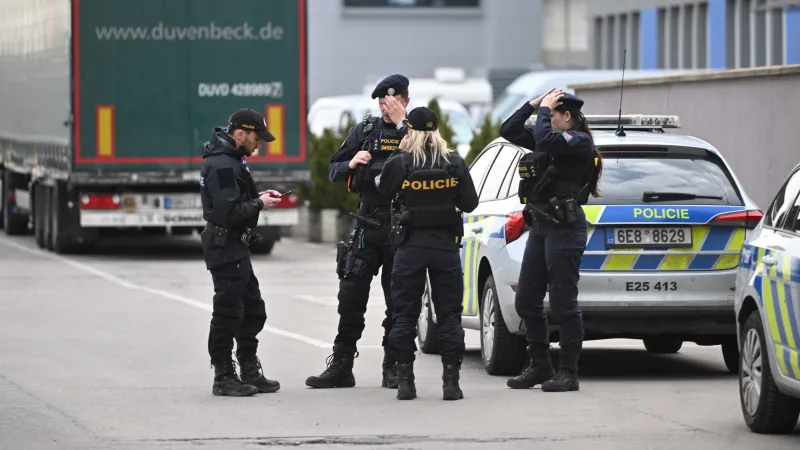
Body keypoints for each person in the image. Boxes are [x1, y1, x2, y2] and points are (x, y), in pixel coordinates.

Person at [305, 74, 410, 390]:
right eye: (381, 102)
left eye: (392, 102)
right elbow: (333, 169)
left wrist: (406, 124)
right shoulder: (365, 131)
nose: (386, 107)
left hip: (400, 227)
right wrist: (352, 162)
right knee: (350, 297)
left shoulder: (417, 132)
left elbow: (431, 160)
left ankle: (392, 365)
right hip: (367, 225)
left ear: (405, 100)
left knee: (398, 301)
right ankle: (341, 365)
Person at [499, 89, 602, 392]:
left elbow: (544, 139)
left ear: (566, 116)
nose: (546, 118)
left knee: (562, 303)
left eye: (552, 114)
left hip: (565, 229)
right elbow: (508, 130)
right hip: (541, 227)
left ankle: (568, 372)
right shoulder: (551, 142)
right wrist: (533, 105)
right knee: (527, 300)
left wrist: (543, 110)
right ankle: (540, 364)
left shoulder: (578, 142)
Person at [375, 106, 479, 400]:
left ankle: (406, 382)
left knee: (405, 315)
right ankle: (451, 383)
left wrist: (398, 153)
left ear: (410, 131)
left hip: (410, 248)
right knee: (449, 316)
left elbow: (382, 190)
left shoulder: (402, 162)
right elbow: (470, 204)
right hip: (445, 248)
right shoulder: (454, 163)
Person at [199, 108, 284, 397]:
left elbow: (236, 201)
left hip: (236, 247)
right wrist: (260, 205)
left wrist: (258, 198)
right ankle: (223, 375)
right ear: (240, 134)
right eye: (256, 137)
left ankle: (249, 369)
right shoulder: (222, 164)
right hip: (225, 247)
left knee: (253, 310)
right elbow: (227, 212)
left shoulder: (233, 159)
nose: (259, 143)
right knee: (228, 313)